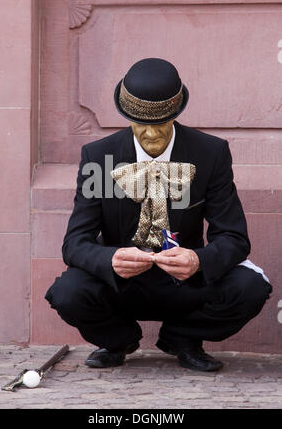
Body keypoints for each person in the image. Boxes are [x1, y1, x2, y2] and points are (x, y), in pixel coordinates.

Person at [45, 58, 272, 372]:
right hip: (121, 286)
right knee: (67, 292)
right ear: (127, 117)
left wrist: (198, 261)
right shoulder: (98, 157)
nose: (151, 135)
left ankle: (183, 338)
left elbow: (234, 238)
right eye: (141, 124)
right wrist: (109, 260)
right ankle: (117, 340)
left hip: (185, 283)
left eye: (160, 124)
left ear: (175, 114)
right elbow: (74, 244)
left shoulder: (211, 153)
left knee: (251, 287)